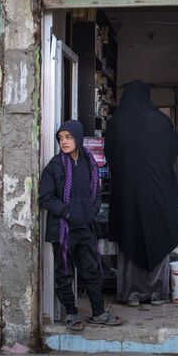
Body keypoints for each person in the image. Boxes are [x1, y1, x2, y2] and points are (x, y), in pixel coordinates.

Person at [39, 120, 122, 331]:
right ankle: (72, 314)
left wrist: (92, 211)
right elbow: (45, 198)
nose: (64, 142)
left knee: (92, 270)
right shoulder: (55, 166)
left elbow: (95, 193)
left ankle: (98, 312)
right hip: (62, 229)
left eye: (68, 137)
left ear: (77, 137)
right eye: (60, 138)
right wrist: (67, 213)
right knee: (64, 273)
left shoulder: (89, 163)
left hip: (85, 227)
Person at [106, 80, 178, 307]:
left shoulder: (116, 123)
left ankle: (131, 294)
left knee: (129, 237)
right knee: (158, 235)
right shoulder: (160, 121)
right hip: (158, 192)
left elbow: (110, 155)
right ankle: (157, 293)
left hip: (127, 193)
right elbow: (174, 145)